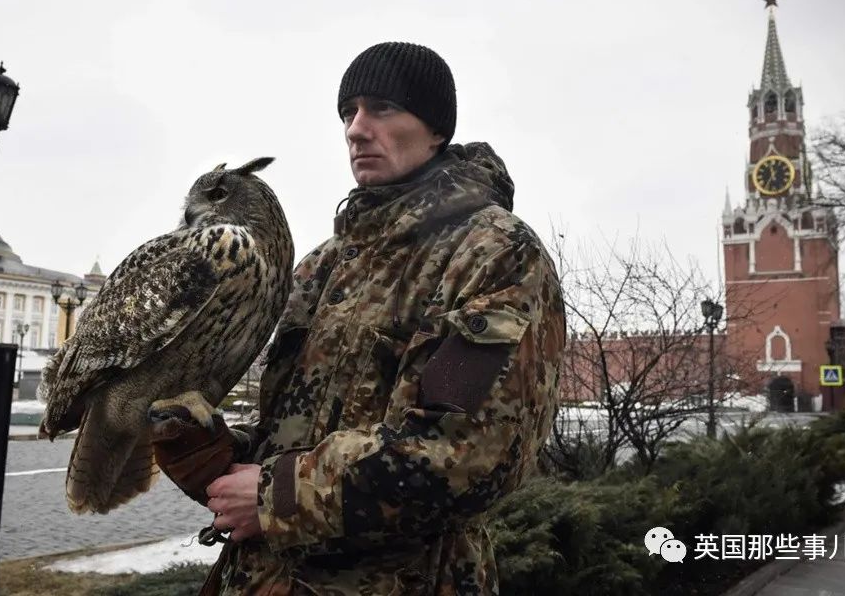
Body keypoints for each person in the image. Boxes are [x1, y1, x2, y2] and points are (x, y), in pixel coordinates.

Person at [154, 41, 566, 595]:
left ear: (436, 128)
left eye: (382, 108)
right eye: (348, 112)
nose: (356, 128)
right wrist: (214, 455)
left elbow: (461, 454)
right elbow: (294, 438)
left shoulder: (493, 255)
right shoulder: (323, 264)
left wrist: (276, 496)